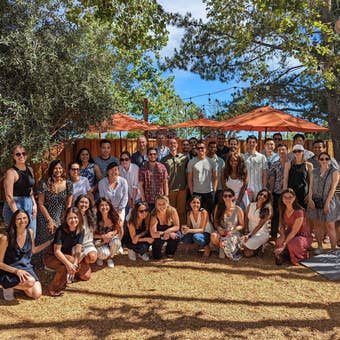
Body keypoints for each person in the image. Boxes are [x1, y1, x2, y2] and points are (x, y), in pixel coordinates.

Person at [0, 210, 51, 301]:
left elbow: (33, 250)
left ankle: (18, 285)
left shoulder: (30, 232)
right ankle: (6, 285)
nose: (22, 221)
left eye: (24, 218)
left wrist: (50, 242)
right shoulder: (6, 238)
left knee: (36, 294)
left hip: (26, 268)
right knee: (30, 282)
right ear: (14, 221)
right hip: (10, 269)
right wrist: (16, 271)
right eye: (19, 219)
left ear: (28, 219)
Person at [44, 207, 87, 296]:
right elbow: (57, 251)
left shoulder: (81, 230)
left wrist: (75, 264)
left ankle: (65, 278)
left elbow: (78, 249)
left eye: (75, 217)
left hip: (66, 256)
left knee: (84, 273)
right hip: (51, 256)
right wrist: (69, 264)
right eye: (70, 218)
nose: (73, 220)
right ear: (66, 219)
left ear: (79, 218)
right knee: (67, 265)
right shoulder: (61, 230)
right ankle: (53, 288)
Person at [307, 152, 340, 254]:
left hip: (329, 200)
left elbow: (333, 188)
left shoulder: (334, 172)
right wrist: (310, 199)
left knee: (330, 225)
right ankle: (320, 246)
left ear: (329, 160)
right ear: (318, 160)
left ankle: (333, 249)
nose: (324, 161)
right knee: (318, 225)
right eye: (322, 159)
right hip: (315, 200)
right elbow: (310, 186)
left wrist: (327, 203)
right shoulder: (314, 171)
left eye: (326, 159)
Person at [36, 160, 73, 246]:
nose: (58, 170)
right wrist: (50, 220)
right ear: (51, 170)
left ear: (63, 169)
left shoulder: (68, 184)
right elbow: (40, 203)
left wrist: (64, 218)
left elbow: (68, 204)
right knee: (43, 242)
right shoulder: (44, 183)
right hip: (44, 216)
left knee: (57, 242)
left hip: (60, 216)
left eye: (60, 168)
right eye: (55, 168)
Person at [3, 145, 37, 236]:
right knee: (17, 239)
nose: (21, 156)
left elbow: (30, 189)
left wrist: (34, 204)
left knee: (31, 235)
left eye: (23, 153)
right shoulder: (11, 172)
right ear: (14, 156)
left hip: (29, 205)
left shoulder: (30, 169)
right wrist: (17, 214)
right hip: (14, 207)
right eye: (18, 154)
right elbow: (9, 196)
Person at [274, 189, 312, 266]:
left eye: (290, 197)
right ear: (282, 198)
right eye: (285, 197)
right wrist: (282, 235)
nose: (287, 199)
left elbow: (294, 232)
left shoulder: (299, 211)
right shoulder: (283, 208)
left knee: (293, 243)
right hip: (290, 233)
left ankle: (301, 255)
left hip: (302, 236)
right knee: (279, 241)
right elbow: (281, 225)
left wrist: (284, 244)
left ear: (294, 198)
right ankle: (288, 253)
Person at [211, 188, 244, 260]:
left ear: (233, 197)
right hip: (222, 231)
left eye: (229, 196)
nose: (227, 198)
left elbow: (242, 225)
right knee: (213, 235)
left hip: (233, 233)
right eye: (225, 196)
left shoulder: (238, 209)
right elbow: (215, 221)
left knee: (224, 255)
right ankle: (222, 247)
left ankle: (225, 249)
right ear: (222, 197)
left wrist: (234, 228)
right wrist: (219, 228)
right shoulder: (218, 207)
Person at [161, 139, 189, 224]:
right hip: (170, 189)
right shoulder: (164, 159)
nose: (172, 145)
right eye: (170, 143)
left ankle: (182, 230)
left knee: (181, 211)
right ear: (168, 146)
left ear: (177, 145)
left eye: (174, 143)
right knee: (170, 211)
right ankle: (172, 229)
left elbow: (188, 172)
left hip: (182, 189)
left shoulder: (184, 158)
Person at [187, 141, 217, 216]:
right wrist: (192, 192)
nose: (200, 149)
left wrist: (214, 190)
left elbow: (215, 178)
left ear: (205, 149)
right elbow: (189, 179)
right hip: (197, 192)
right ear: (196, 150)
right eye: (198, 148)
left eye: (202, 148)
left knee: (210, 213)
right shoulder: (191, 162)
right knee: (197, 214)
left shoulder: (212, 162)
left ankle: (209, 228)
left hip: (209, 192)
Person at [94, 198, 123, 268]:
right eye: (101, 205)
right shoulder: (95, 218)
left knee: (117, 242)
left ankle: (109, 258)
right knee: (104, 253)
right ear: (98, 207)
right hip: (99, 241)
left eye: (106, 205)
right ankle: (100, 257)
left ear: (110, 206)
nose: (104, 207)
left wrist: (111, 234)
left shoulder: (114, 216)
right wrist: (103, 236)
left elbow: (117, 229)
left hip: (110, 239)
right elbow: (91, 235)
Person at [242, 189, 272, 257]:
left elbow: (259, 226)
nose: (262, 197)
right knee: (243, 245)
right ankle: (257, 248)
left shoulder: (267, 210)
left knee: (247, 254)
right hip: (249, 232)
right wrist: (246, 230)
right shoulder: (250, 205)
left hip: (261, 233)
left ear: (267, 199)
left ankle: (259, 247)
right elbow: (246, 219)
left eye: (265, 196)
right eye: (261, 194)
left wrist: (249, 235)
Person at [149, 195, 181, 259]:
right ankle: (158, 251)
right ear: (156, 205)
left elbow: (177, 226)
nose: (161, 206)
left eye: (163, 204)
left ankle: (169, 252)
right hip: (159, 235)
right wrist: (164, 234)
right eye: (159, 204)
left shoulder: (172, 210)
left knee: (177, 236)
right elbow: (153, 234)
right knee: (156, 257)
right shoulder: (154, 214)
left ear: (167, 203)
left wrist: (168, 232)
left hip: (170, 232)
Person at [139, 147, 168, 212]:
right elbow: (141, 185)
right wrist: (143, 200)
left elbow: (165, 182)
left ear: (157, 155)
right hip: (149, 200)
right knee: (149, 220)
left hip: (161, 199)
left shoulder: (162, 167)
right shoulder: (143, 168)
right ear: (147, 156)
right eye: (150, 154)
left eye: (154, 154)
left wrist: (166, 197)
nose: (153, 156)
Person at [283, 144, 313, 209]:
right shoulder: (288, 164)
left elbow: (311, 182)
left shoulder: (308, 165)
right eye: (295, 151)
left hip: (303, 194)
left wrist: (309, 195)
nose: (297, 153)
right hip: (291, 194)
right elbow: (285, 180)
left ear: (303, 152)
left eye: (299, 151)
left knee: (302, 215)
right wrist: (284, 194)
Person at [74, 195, 97, 277]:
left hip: (88, 243)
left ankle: (84, 262)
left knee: (92, 257)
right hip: (75, 245)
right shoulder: (73, 215)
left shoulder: (90, 216)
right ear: (77, 203)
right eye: (81, 202)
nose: (84, 204)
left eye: (86, 203)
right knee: (85, 277)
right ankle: (79, 264)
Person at [269, 144, 288, 240]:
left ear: (287, 151)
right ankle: (273, 235)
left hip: (289, 194)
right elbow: (272, 178)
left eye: (283, 149)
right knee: (276, 214)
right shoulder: (274, 164)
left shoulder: (291, 163)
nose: (281, 152)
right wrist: (271, 192)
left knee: (287, 214)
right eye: (279, 150)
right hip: (277, 192)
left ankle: (287, 234)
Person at [242, 135, 267, 201]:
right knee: (248, 207)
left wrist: (264, 188)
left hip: (259, 188)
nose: (251, 144)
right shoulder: (243, 157)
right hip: (247, 188)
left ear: (256, 144)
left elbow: (264, 174)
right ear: (247, 144)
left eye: (253, 142)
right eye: (249, 142)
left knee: (258, 208)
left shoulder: (262, 157)